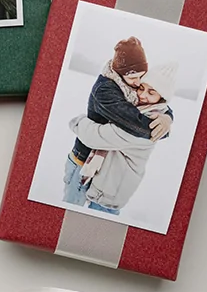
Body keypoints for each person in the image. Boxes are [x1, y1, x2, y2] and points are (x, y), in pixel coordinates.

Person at [63, 37, 174, 214]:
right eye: (135, 79)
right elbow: (136, 123)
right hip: (82, 161)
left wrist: (167, 118)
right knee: (67, 216)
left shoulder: (131, 90)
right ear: (121, 72)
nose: (139, 86)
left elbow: (98, 134)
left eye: (141, 78)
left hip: (108, 183)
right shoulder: (106, 90)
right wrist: (164, 125)